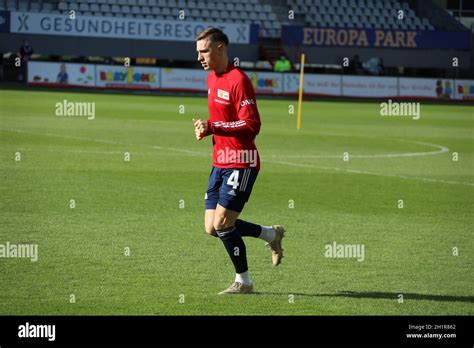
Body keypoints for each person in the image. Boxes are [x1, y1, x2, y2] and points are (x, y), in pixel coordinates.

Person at [192, 27, 285, 295]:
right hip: (220, 161)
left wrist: (215, 126)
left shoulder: (238, 80)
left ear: (220, 49)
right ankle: (270, 234)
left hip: (241, 162)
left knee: (223, 223)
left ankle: (243, 281)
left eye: (204, 51)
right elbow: (222, 121)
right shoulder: (212, 80)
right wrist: (205, 127)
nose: (199, 57)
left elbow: (252, 125)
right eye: (198, 52)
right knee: (212, 227)